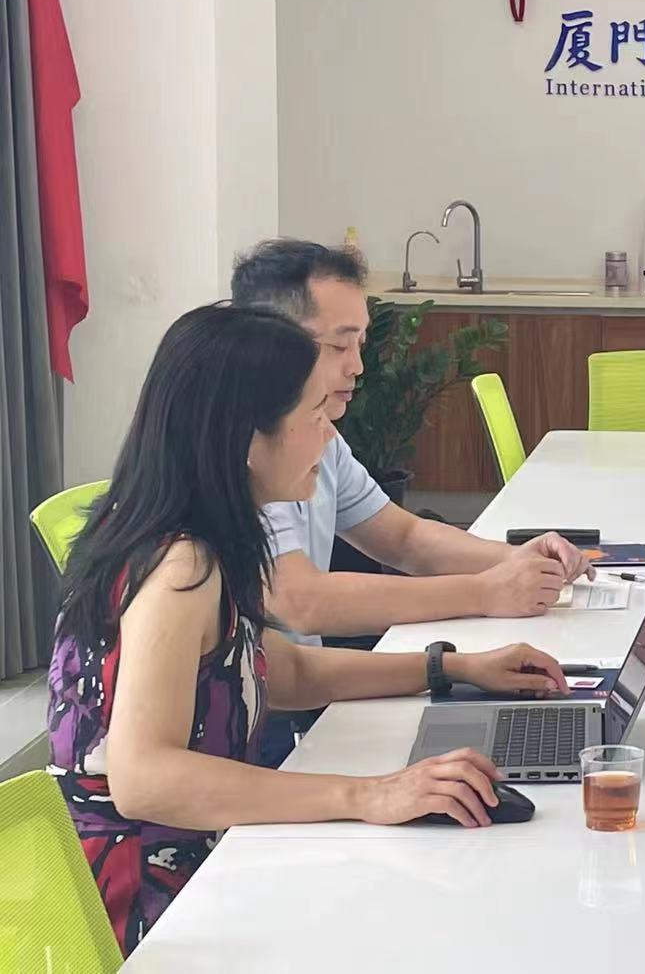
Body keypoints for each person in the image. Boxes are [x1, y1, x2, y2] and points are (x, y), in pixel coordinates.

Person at [48, 305, 573, 954]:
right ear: (248, 438)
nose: (329, 434)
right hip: (159, 909)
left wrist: (452, 668)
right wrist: (370, 795)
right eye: (316, 415)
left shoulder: (201, 532)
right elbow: (144, 778)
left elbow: (282, 670)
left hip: (211, 857)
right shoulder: (180, 566)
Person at [230, 240, 592, 762]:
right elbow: (300, 602)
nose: (358, 367)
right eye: (339, 346)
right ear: (272, 346)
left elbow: (401, 536)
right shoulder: (249, 460)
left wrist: (516, 561)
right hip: (264, 731)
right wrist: (484, 592)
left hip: (298, 698)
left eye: (361, 344)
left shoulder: (315, 436)